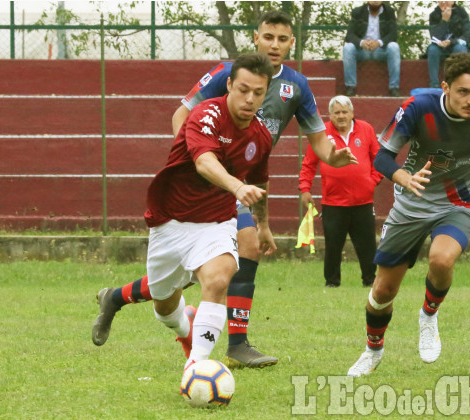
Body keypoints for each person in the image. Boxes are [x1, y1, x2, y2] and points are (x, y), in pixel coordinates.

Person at [92, 10, 358, 369]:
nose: (275, 45)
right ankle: (119, 298)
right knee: (169, 291)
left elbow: (319, 146)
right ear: (255, 37)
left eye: (282, 39)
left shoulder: (297, 86)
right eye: (268, 37)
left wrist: (334, 159)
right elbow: (181, 117)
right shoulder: (228, 73)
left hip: (235, 190)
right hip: (199, 188)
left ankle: (233, 346)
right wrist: (197, 162)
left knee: (234, 259)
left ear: (292, 43)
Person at [347, 52, 470, 377]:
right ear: (445, 87)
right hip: (413, 200)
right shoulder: (418, 107)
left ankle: (428, 315)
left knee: (441, 260)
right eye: (463, 92)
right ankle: (372, 350)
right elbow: (381, 156)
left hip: (460, 201)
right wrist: (403, 177)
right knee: (382, 291)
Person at [145, 52, 273, 373]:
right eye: (243, 89)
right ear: (228, 84)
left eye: (258, 93)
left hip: (216, 218)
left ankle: (196, 368)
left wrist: (264, 225)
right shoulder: (206, 113)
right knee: (163, 305)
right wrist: (236, 186)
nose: (249, 99)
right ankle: (183, 324)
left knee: (219, 278)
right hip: (170, 219)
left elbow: (259, 182)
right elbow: (204, 162)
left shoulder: (261, 136)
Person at [299, 95, 382, 288]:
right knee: (333, 246)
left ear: (352, 113)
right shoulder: (321, 134)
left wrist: (372, 182)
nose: (341, 116)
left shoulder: (366, 129)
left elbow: (378, 159)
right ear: (330, 116)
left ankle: (370, 281)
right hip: (333, 203)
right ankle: (332, 283)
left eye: (345, 112)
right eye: (337, 112)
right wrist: (305, 189)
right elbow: (308, 164)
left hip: (363, 202)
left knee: (367, 246)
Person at [343, 1, 401, 97]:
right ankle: (350, 87)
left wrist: (379, 43)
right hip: (363, 50)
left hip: (380, 50)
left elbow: (393, 34)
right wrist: (361, 43)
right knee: (348, 48)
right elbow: (349, 35)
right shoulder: (358, 12)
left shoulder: (389, 12)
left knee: (394, 47)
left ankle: (394, 88)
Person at [426, 1, 470, 88]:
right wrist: (444, 20)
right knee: (432, 49)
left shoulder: (461, 13)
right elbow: (434, 37)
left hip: (456, 45)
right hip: (441, 48)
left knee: (459, 48)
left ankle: (458, 83)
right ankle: (434, 84)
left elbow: (467, 36)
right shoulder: (434, 15)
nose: (444, 2)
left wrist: (452, 41)